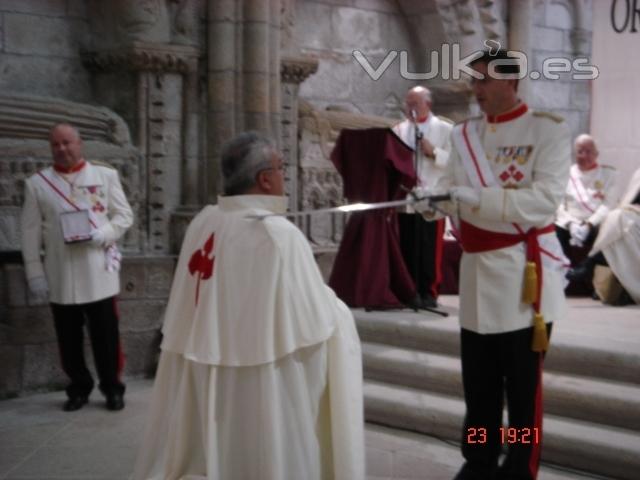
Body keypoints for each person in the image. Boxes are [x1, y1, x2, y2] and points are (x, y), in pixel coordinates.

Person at [133, 131, 364, 480]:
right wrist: (340, 310)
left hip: (202, 359)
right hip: (262, 379)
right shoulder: (277, 234)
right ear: (265, 179)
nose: (283, 176)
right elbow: (315, 320)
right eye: (281, 168)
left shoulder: (204, 220)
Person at [416, 50, 571, 479]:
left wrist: (479, 199)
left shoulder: (547, 131)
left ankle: (518, 467)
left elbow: (543, 202)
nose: (476, 89)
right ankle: (479, 461)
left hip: (525, 278)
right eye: (474, 80)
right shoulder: (464, 134)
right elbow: (448, 190)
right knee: (479, 392)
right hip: (478, 276)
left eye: (484, 81)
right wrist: (428, 203)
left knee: (521, 395)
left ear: (511, 83)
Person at [21, 123, 133, 411]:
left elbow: (124, 216)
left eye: (67, 143)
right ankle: (79, 388)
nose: (62, 149)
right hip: (61, 273)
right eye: (56, 144)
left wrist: (105, 234)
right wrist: (35, 273)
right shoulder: (37, 184)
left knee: (106, 337)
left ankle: (112, 388)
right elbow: (30, 234)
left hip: (98, 271)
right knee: (68, 339)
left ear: (79, 143)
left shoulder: (104, 176)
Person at [393, 86, 453, 308]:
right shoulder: (399, 130)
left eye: (414, 103)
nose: (410, 108)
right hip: (407, 197)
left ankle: (429, 291)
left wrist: (434, 152)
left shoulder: (446, 129)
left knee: (429, 246)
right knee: (407, 244)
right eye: (407, 103)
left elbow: (455, 163)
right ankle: (409, 290)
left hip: (433, 195)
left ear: (427, 104)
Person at [567, 167, 640, 304]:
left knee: (619, 220)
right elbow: (628, 200)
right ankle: (619, 288)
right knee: (618, 225)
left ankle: (590, 263)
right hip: (632, 221)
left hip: (633, 220)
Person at [555, 134, 618, 290]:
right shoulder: (564, 174)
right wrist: (570, 223)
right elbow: (558, 204)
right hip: (569, 223)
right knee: (553, 231)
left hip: (595, 224)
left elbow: (608, 205)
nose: (584, 156)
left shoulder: (609, 175)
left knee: (613, 233)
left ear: (596, 154)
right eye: (580, 151)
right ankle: (562, 278)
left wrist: (589, 224)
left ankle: (588, 271)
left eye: (589, 151)